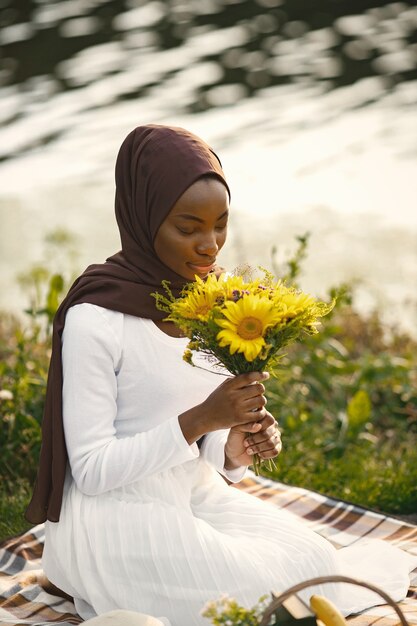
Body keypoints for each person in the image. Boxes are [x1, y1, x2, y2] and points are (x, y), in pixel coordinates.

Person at [26, 125, 416, 626]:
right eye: (188, 228)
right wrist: (201, 418)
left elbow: (205, 452)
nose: (209, 246)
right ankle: (76, 570)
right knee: (254, 596)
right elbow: (94, 469)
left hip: (189, 493)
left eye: (220, 225)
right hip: (113, 513)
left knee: (314, 567)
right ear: (144, 218)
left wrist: (234, 444)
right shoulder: (97, 317)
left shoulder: (209, 303)